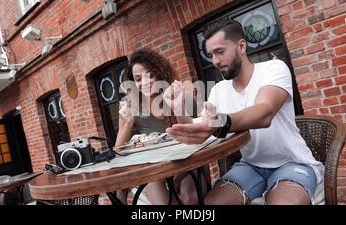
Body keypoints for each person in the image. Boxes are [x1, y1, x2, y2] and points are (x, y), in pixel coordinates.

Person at [166, 19, 324, 205]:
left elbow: (264, 112)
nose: (215, 61)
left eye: (220, 52)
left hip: (292, 163)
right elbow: (199, 129)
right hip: (250, 166)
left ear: (241, 46)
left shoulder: (273, 68)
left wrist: (222, 122)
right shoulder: (218, 90)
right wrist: (178, 107)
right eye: (210, 55)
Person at [115, 48, 208, 205]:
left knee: (189, 199)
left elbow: (196, 139)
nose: (144, 83)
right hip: (155, 173)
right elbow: (118, 151)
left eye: (149, 75)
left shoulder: (182, 99)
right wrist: (128, 124)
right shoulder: (131, 107)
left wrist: (178, 106)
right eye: (138, 79)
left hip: (187, 166)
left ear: (161, 74)